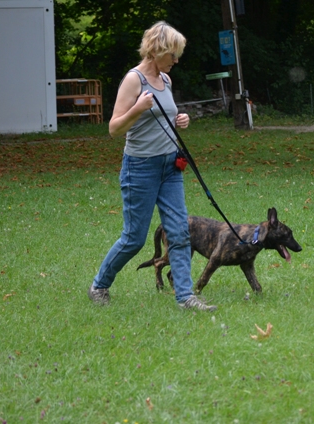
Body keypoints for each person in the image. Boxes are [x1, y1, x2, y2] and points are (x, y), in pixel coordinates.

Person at [88, 21, 216, 312]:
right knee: (134, 239)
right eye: (173, 55)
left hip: (170, 166)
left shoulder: (166, 80)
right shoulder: (134, 80)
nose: (176, 60)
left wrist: (179, 120)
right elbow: (114, 129)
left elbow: (163, 117)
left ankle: (185, 297)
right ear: (158, 51)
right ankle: (99, 285)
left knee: (180, 232)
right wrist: (137, 108)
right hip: (140, 168)